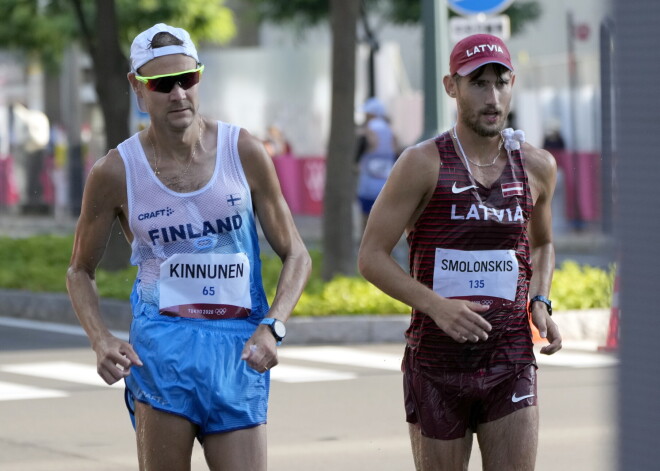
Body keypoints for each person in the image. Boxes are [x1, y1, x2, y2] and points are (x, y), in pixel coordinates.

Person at [66, 23, 311, 471]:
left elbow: (296, 253)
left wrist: (274, 326)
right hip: (162, 354)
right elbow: (79, 270)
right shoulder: (115, 172)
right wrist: (100, 340)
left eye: (188, 79)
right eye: (162, 84)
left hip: (239, 352)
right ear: (138, 89)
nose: (178, 94)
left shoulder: (245, 151)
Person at [358, 34, 562, 471]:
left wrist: (540, 301)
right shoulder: (421, 163)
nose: (492, 97)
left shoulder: (537, 165)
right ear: (452, 86)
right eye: (478, 84)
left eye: (500, 83)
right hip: (436, 362)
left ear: (512, 84)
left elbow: (542, 243)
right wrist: (437, 307)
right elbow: (371, 256)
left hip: (510, 356)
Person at [355, 97, 397, 231]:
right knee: (384, 224)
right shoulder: (391, 132)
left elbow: (357, 156)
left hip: (367, 186)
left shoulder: (366, 132)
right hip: (385, 186)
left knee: (365, 223)